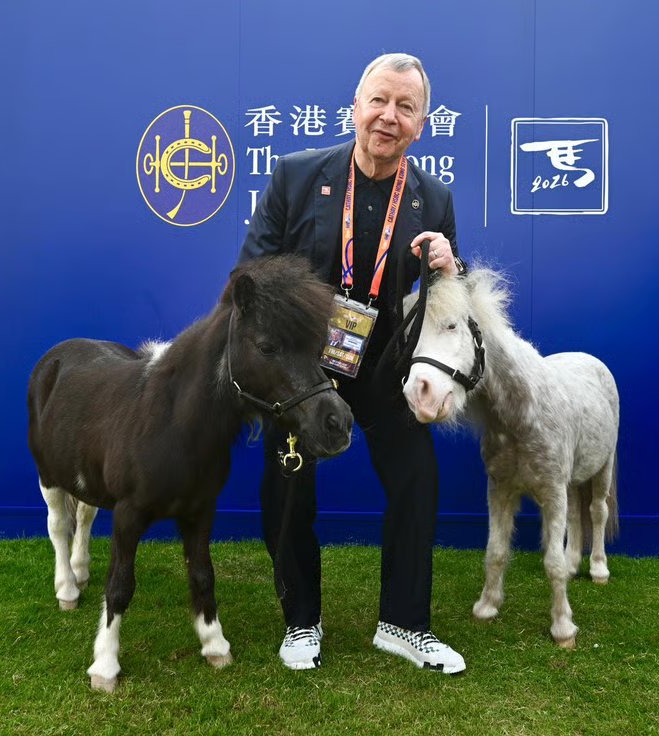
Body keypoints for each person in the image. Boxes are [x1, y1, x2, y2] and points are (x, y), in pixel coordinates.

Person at [237, 52, 467, 674]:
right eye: (379, 102)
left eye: (405, 108)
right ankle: (301, 621)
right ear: (356, 107)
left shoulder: (433, 197)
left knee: (417, 479)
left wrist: (451, 264)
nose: (388, 117)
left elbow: (446, 302)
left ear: (422, 124)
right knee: (287, 489)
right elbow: (251, 276)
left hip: (387, 363)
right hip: (306, 369)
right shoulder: (295, 176)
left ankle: (403, 625)